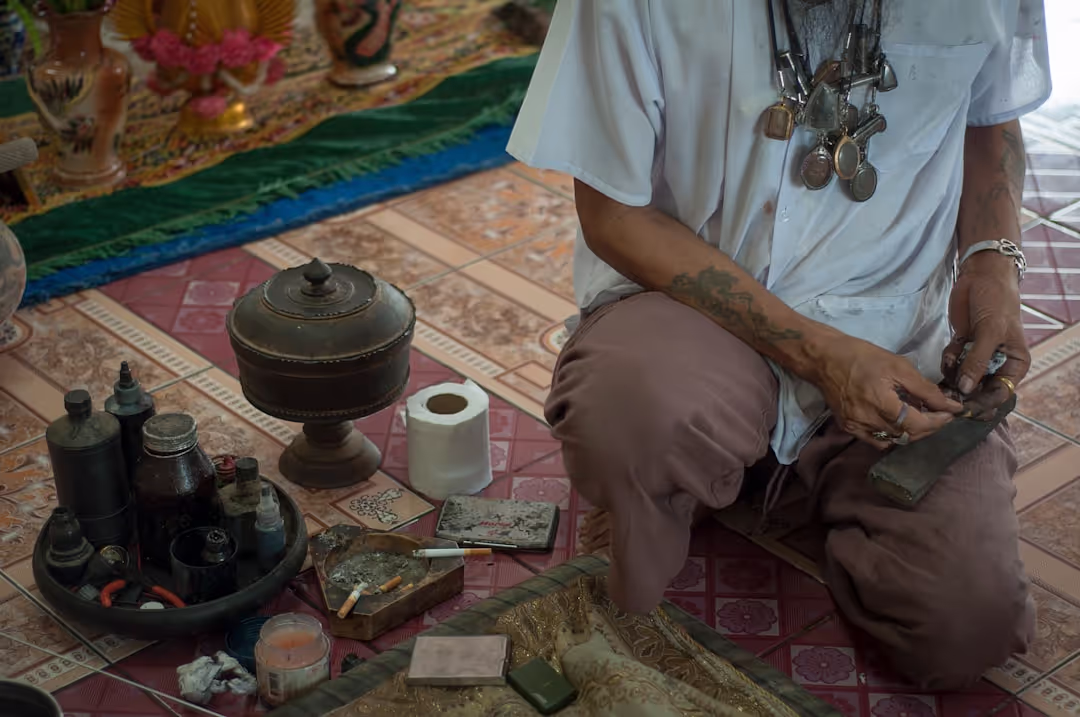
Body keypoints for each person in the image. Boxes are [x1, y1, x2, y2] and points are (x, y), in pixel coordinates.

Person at [507, 0, 1052, 690]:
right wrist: (820, 356)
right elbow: (614, 214)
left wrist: (992, 261)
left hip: (896, 339)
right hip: (697, 317)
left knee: (966, 624)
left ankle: (767, 472)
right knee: (633, 413)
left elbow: (990, 111)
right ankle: (712, 460)